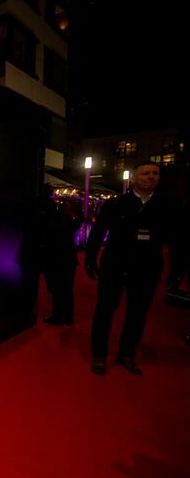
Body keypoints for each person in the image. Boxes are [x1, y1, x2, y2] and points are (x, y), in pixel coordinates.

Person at [85, 161, 180, 375]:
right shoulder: (116, 204)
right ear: (134, 177)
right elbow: (98, 231)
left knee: (138, 313)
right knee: (104, 311)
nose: (151, 177)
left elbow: (177, 239)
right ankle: (99, 354)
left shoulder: (167, 206)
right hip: (114, 265)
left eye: (155, 173)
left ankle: (127, 353)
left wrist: (176, 270)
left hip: (147, 268)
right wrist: (90, 259)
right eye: (145, 173)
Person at [40, 189, 80, 325]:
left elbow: (48, 239)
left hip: (56, 258)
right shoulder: (67, 219)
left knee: (57, 288)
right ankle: (68, 316)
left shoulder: (50, 219)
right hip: (68, 258)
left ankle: (58, 315)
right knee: (66, 289)